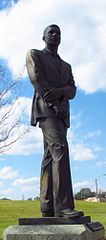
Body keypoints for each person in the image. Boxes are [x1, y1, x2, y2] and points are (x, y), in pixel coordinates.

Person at [26, 24, 83, 218]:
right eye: (50, 32)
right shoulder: (35, 54)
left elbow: (72, 90)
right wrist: (55, 103)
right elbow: (37, 79)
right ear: (43, 37)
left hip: (62, 116)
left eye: (58, 32)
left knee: (50, 156)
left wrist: (60, 92)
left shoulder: (66, 66)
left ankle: (47, 206)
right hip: (46, 111)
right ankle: (63, 207)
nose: (54, 35)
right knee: (60, 149)